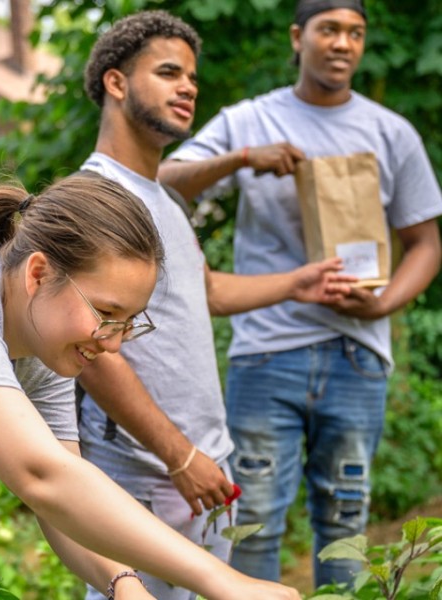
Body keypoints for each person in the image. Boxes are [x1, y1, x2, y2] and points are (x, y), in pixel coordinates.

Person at [0, 174, 308, 600]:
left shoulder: (42, 354)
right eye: (106, 314)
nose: (114, 342)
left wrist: (126, 586)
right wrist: (225, 583)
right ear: (39, 274)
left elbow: (61, 500)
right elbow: (44, 479)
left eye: (129, 323)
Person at [159, 0, 442, 589]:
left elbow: (425, 244)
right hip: (267, 352)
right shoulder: (249, 121)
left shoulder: (392, 133)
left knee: (346, 520)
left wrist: (385, 304)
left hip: (358, 354)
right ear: (298, 37)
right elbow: (164, 179)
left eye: (356, 33)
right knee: (254, 518)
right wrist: (240, 160)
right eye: (329, 29)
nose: (343, 43)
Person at [76, 10, 355, 599]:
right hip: (145, 475)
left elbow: (206, 292)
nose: (188, 88)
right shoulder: (96, 199)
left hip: (204, 472)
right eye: (169, 72)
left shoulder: (164, 199)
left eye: (193, 78)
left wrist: (297, 282)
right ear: (116, 83)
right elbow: (92, 348)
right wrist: (179, 456)